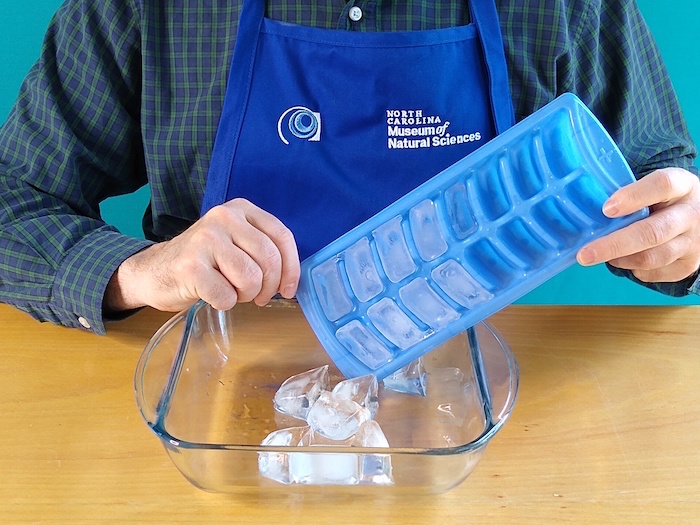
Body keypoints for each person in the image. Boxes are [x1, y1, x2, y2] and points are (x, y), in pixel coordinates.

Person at [0, 0, 698, 335]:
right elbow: (11, 203)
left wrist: (680, 233)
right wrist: (143, 270)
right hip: (218, 390)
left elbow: (664, 180)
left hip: (465, 394)